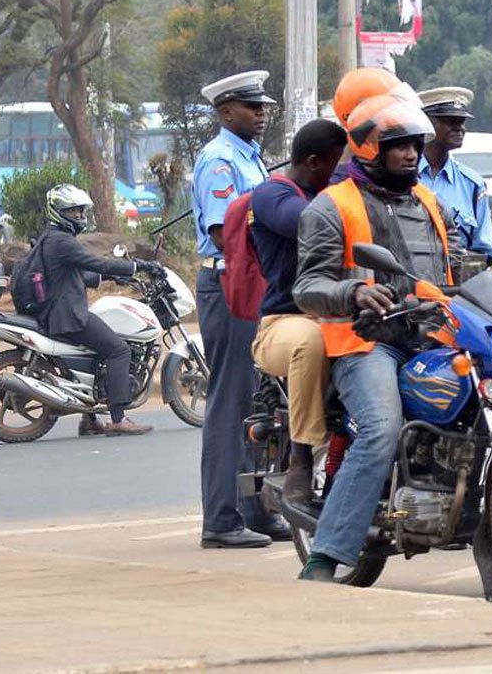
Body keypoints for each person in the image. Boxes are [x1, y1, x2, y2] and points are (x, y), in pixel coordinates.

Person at [292, 90, 461, 582]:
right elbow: (308, 286)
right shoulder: (330, 207)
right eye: (399, 145)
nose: (410, 153)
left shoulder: (430, 202)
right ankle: (326, 554)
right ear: (369, 149)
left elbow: (459, 265)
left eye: (413, 144)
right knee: (382, 428)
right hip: (368, 341)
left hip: (434, 334)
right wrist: (353, 293)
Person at [191, 70, 288, 549]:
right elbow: (222, 231)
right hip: (228, 283)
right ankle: (220, 519)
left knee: (258, 402)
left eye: (264, 106)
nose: (263, 113)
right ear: (227, 111)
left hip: (254, 284)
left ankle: (255, 510)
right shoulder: (221, 161)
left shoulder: (252, 159)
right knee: (230, 402)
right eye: (253, 107)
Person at [248, 119, 348, 503]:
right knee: (311, 341)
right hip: (285, 322)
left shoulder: (332, 191)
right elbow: (306, 223)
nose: (342, 172)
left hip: (342, 313)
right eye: (336, 164)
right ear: (312, 162)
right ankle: (302, 456)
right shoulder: (271, 196)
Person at [34, 184, 158, 436]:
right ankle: (118, 418)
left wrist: (111, 278)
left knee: (97, 356)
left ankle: (88, 420)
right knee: (119, 350)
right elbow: (96, 262)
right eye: (73, 212)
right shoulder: (62, 241)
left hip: (61, 309)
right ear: (58, 211)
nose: (79, 216)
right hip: (68, 315)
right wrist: (135, 267)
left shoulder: (53, 237)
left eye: (80, 211)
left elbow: (78, 272)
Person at [417, 87, 492, 264]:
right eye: (450, 121)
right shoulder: (402, 177)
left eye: (462, 121)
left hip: (458, 286)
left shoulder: (473, 184)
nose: (460, 128)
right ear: (426, 122)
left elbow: (482, 252)